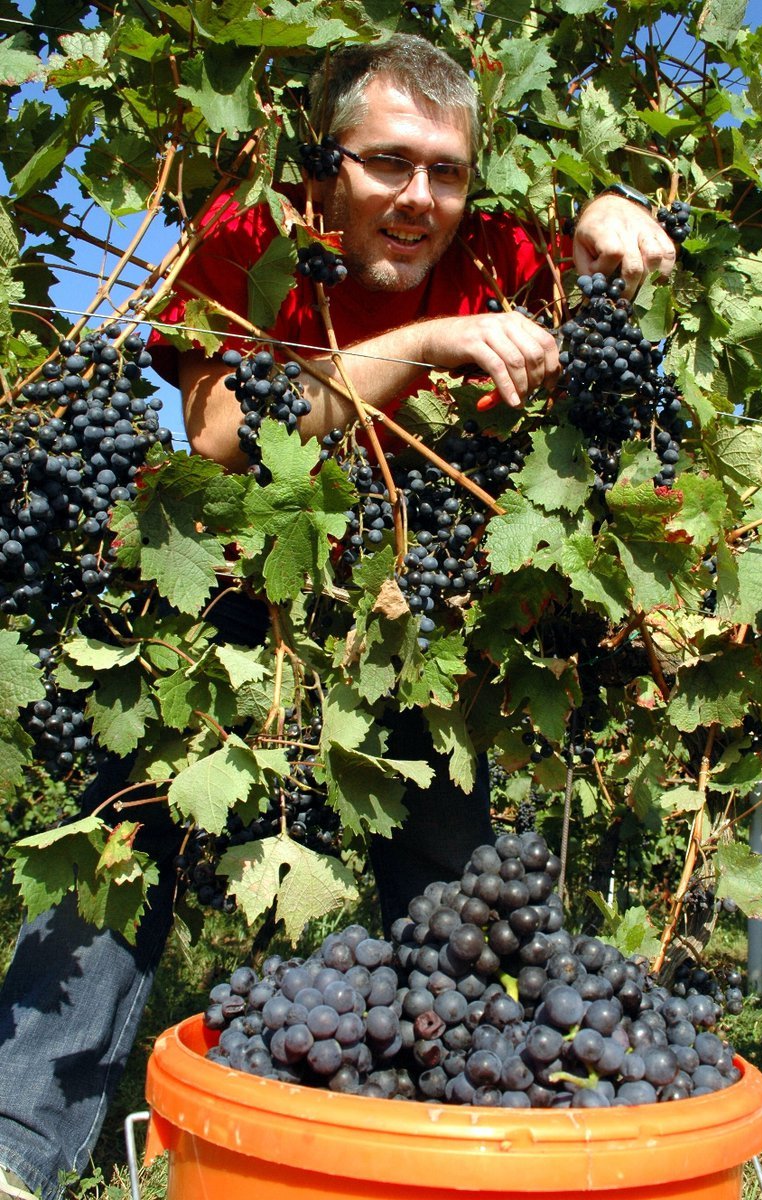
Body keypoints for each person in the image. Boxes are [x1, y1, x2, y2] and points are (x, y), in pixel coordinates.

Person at [0, 33, 676, 1200]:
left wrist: (611, 215)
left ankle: (489, 1122)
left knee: (456, 868)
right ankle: (15, 1144)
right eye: (387, 164)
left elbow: (589, 252)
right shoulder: (248, 239)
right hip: (230, 568)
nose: (420, 198)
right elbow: (218, 436)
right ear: (322, 168)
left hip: (397, 608)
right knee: (125, 829)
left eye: (448, 172)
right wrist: (421, 344)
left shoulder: (496, 248)